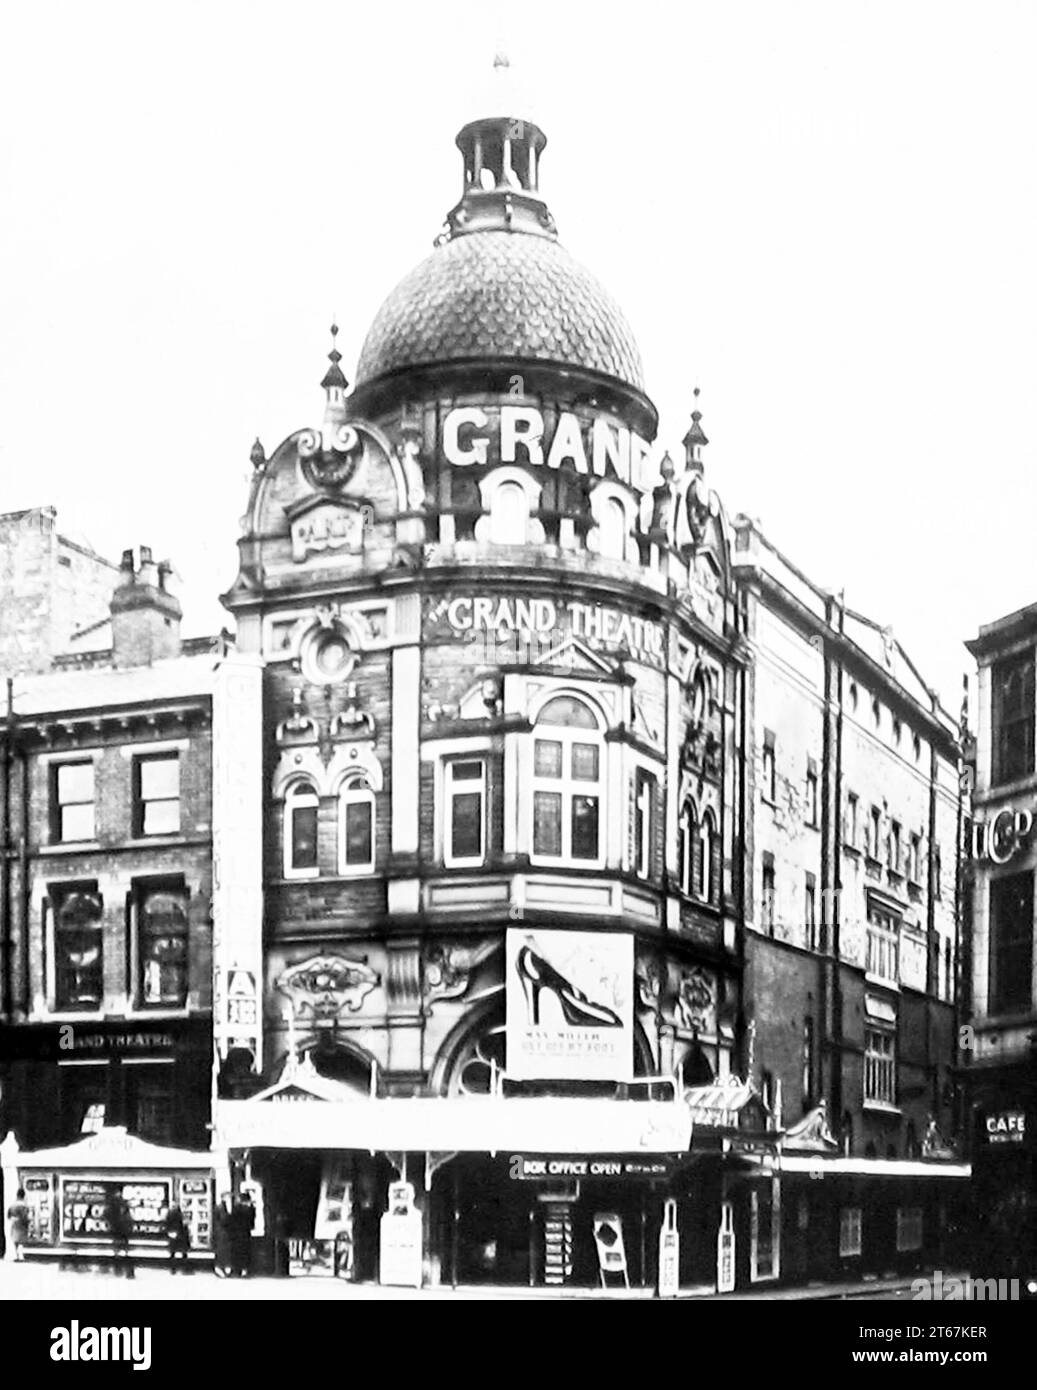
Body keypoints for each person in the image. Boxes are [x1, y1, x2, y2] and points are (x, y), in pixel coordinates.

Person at [105, 1189, 135, 1279]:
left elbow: (107, 1215)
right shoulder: (122, 1209)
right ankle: (123, 1269)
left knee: (118, 1250)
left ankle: (119, 1269)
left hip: (118, 1231)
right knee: (122, 1250)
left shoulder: (113, 1208)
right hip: (121, 1232)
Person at [164, 1203, 191, 1274]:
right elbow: (184, 1224)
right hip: (181, 1234)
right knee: (184, 1252)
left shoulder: (170, 1212)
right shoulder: (181, 1213)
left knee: (173, 1252)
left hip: (173, 1234)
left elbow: (167, 1223)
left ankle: (173, 1269)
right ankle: (185, 1269)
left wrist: (169, 1231)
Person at [6, 1188, 30, 1263]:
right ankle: (21, 1256)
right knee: (21, 1241)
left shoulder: (12, 1205)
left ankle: (16, 1256)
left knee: (15, 1240)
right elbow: (25, 1216)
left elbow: (8, 1216)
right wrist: (28, 1223)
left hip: (14, 1224)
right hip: (22, 1224)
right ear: (24, 1196)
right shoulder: (24, 1206)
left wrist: (13, 1219)